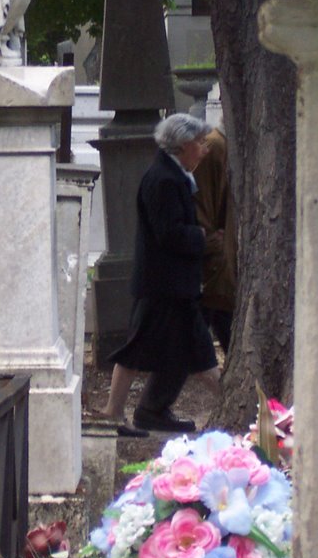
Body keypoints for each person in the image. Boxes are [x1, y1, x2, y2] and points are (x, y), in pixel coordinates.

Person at [98, 113, 221, 435]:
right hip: (163, 285)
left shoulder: (173, 175)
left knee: (190, 351)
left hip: (172, 285)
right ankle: (113, 412)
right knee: (142, 348)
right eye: (199, 143)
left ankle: (151, 410)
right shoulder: (165, 180)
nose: (203, 151)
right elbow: (168, 233)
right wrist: (203, 238)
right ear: (182, 145)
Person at [193, 119, 237, 352]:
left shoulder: (221, 145)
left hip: (224, 253)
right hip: (216, 257)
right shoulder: (214, 147)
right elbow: (201, 201)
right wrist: (211, 243)